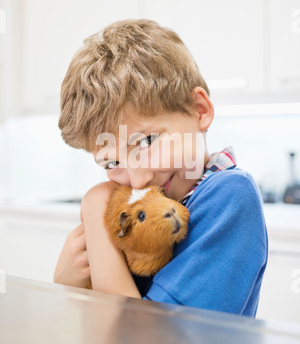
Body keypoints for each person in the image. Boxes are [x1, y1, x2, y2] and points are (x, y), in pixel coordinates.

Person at [54, 19, 268, 316]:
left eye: (146, 142)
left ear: (199, 111)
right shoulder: (139, 207)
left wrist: (94, 208)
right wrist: (68, 285)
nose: (139, 180)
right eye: (112, 162)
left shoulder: (229, 195)